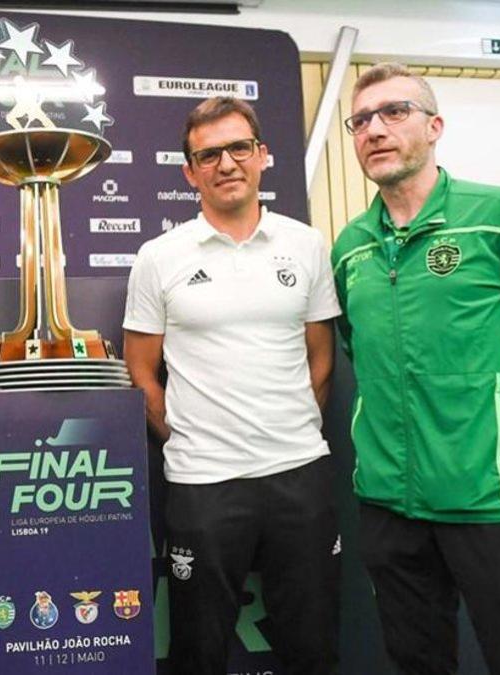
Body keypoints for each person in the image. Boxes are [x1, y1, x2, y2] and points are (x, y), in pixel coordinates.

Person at [332, 62, 500, 674]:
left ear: (435, 126)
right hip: (389, 504)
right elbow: (357, 345)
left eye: (394, 112)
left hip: (493, 500)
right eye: (361, 119)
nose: (374, 129)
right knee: (417, 663)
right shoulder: (351, 246)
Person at [123, 97, 341, 675]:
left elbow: (321, 361)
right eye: (209, 154)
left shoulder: (307, 245)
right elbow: (140, 370)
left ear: (262, 155)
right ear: (190, 171)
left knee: (313, 647)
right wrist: (188, 437)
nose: (226, 163)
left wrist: (287, 427)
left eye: (239, 148)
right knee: (198, 652)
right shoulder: (158, 257)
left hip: (300, 473)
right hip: (203, 483)